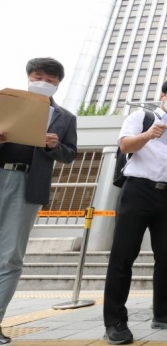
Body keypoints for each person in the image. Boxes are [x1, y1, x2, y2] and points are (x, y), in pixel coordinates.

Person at [103, 79, 167, 344]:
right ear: (162, 96)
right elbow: (126, 146)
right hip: (137, 191)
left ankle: (164, 313)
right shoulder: (142, 116)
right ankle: (115, 321)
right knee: (123, 255)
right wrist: (148, 134)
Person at [0, 58, 77, 345]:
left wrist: (55, 145)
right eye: (38, 75)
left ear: (58, 83)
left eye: (50, 78)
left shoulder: (65, 117)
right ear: (28, 76)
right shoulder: (4, 102)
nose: (43, 81)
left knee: (10, 257)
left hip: (27, 185)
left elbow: (70, 154)